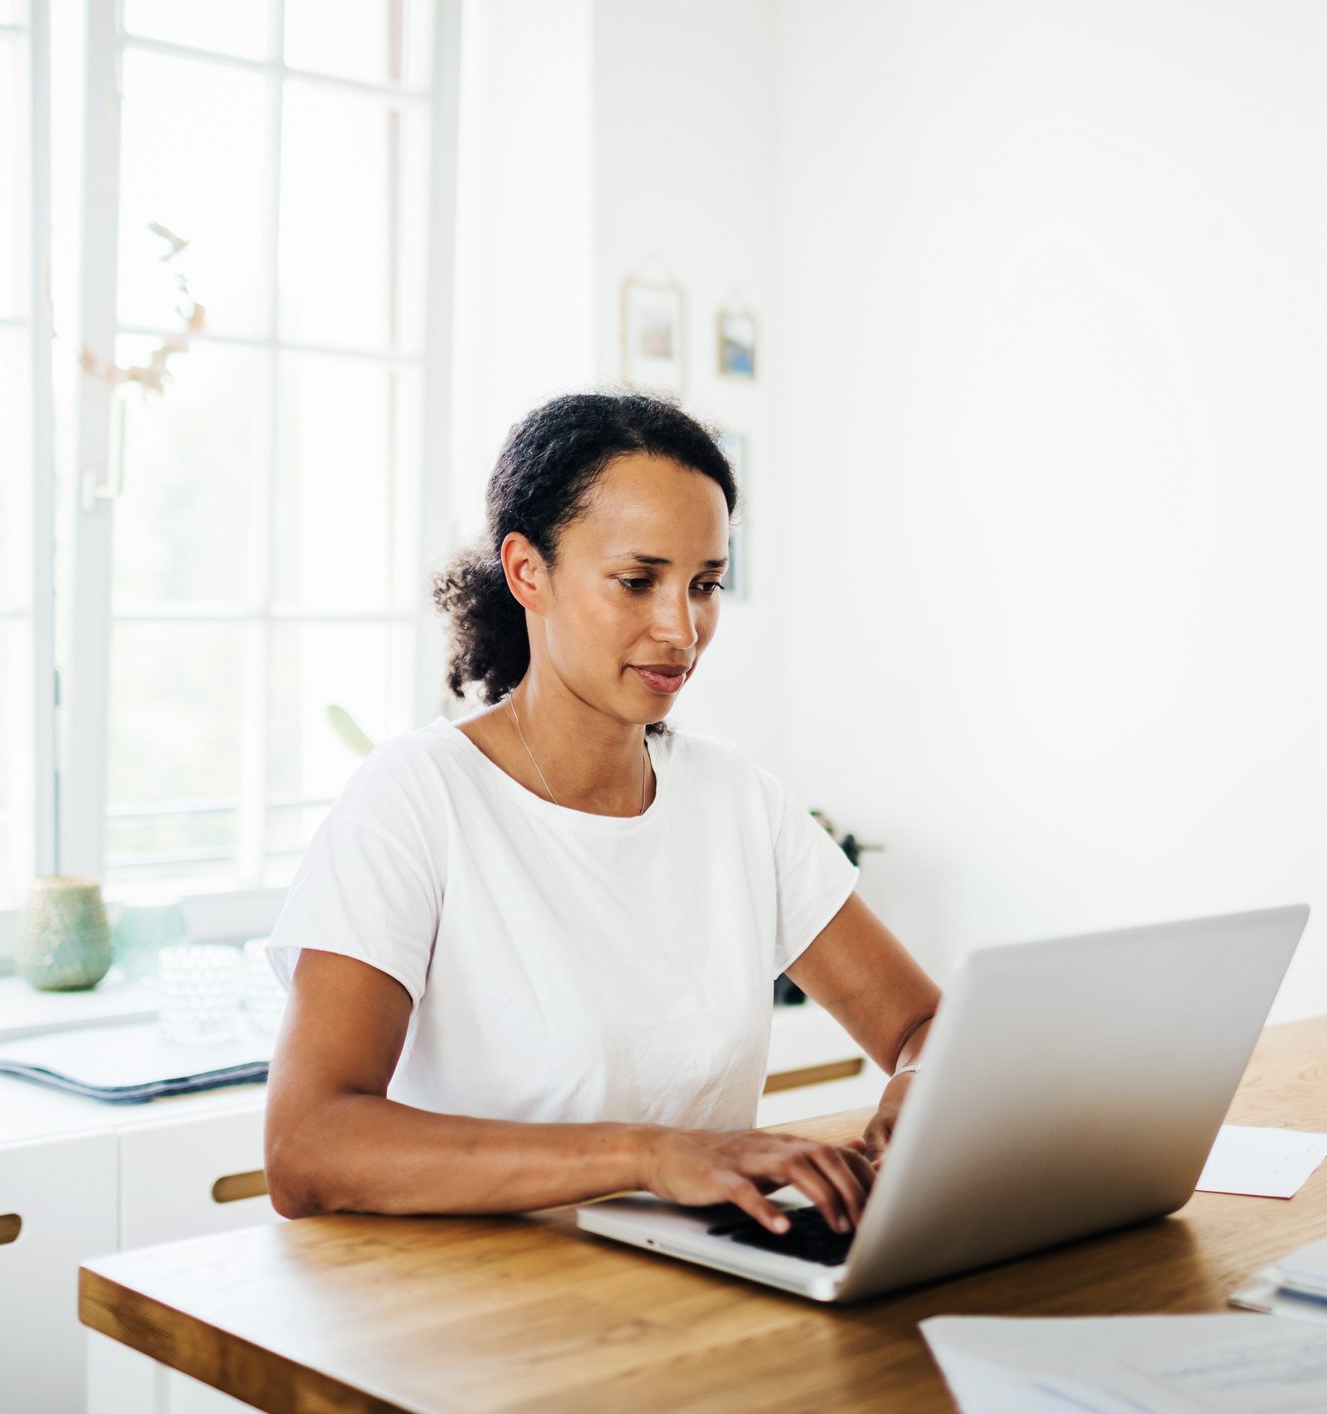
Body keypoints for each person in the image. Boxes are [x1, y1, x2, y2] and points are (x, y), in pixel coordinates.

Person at [262, 391, 943, 1238]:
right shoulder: (418, 796)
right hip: (478, 1314)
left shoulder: (736, 800)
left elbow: (922, 1024)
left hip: (706, 1290)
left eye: (704, 585)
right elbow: (307, 1145)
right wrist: (650, 1155)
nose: (682, 629)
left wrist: (922, 1085)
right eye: (637, 581)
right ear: (527, 573)